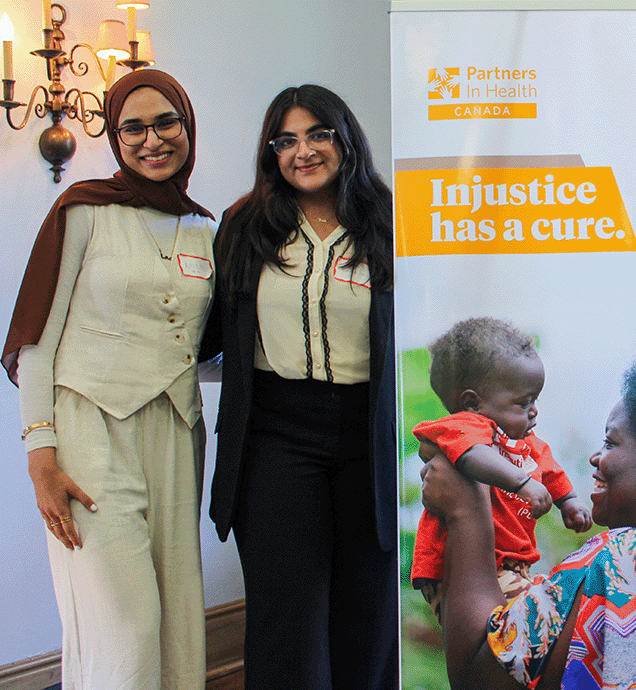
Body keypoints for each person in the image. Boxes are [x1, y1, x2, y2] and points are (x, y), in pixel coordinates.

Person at [4, 69, 214, 689]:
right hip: (89, 432)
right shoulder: (84, 209)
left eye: (166, 123)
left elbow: (203, 348)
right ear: (115, 136)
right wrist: (40, 452)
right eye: (133, 128)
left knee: (178, 618)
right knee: (125, 622)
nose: (152, 140)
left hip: (177, 434)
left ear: (187, 126)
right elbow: (37, 338)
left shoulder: (206, 226)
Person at [207, 84, 398, 690]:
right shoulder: (244, 225)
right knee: (287, 614)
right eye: (285, 140)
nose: (303, 151)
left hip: (368, 433)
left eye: (318, 134)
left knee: (366, 607)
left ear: (346, 139)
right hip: (275, 435)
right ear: (271, 153)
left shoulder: (392, 221)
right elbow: (207, 326)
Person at [420, 340, 636, 690]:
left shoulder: (618, 559)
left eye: (611, 443)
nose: (595, 458)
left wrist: (464, 509)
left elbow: (478, 678)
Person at [411, 317, 593, 618]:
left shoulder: (527, 443)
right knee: (532, 620)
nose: (534, 411)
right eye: (523, 403)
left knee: (535, 617)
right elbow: (471, 455)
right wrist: (523, 483)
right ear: (472, 403)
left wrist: (569, 502)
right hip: (460, 564)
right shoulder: (464, 427)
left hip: (511, 565)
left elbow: (551, 471)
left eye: (535, 399)